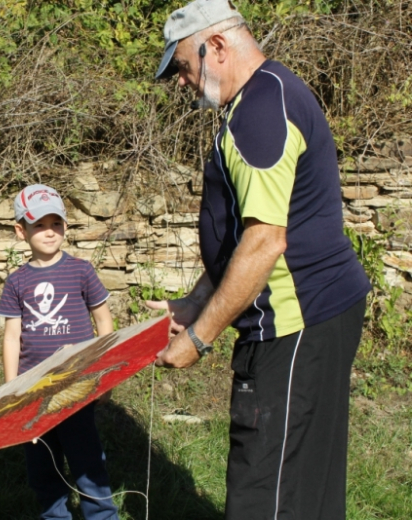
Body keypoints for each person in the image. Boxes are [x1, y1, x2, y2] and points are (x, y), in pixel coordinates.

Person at [146, 1, 371, 519]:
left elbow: (265, 243)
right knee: (307, 482)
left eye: (182, 65)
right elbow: (245, 234)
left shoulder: (259, 115)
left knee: (263, 487)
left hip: (295, 327)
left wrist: (198, 339)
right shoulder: (272, 91)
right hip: (322, 315)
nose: (181, 82)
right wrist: (196, 301)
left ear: (217, 45)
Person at [0, 184, 119, 520]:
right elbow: (11, 337)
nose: (50, 232)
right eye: (39, 225)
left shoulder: (81, 271)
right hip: (35, 392)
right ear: (21, 231)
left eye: (57, 224)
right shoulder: (17, 282)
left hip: (77, 384)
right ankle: (55, 515)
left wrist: (105, 375)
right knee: (42, 467)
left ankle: (102, 516)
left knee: (88, 463)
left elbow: (104, 322)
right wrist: (12, 391)